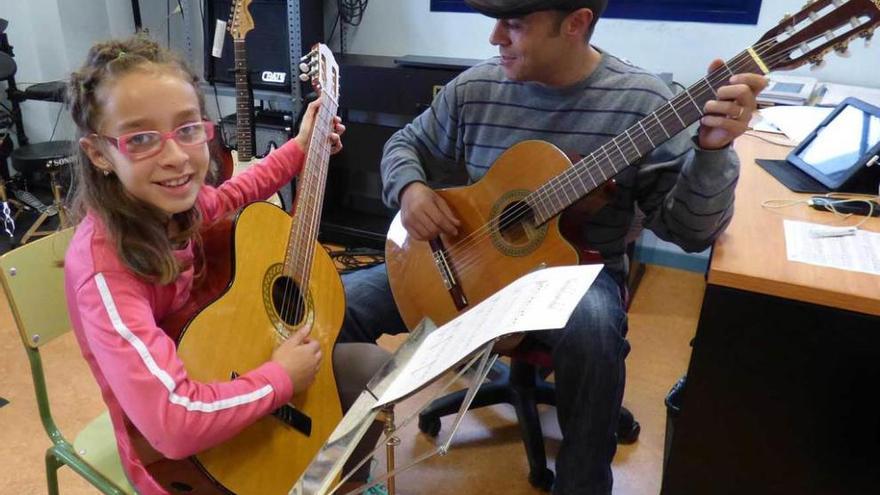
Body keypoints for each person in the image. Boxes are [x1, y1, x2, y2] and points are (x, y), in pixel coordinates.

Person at [339, 1, 768, 493]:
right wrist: (410, 189)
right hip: (466, 259)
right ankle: (343, 473)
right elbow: (404, 145)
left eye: (515, 25)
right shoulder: (478, 87)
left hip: (576, 274)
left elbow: (691, 234)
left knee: (592, 330)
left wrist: (712, 151)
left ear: (576, 23)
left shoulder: (645, 102)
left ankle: (582, 483)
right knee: (338, 305)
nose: (495, 38)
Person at [63, 35, 388, 495]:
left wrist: (299, 148)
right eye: (140, 139)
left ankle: (345, 482)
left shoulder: (177, 209)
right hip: (187, 458)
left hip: (232, 372)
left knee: (373, 369)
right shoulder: (105, 272)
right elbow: (172, 423)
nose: (175, 157)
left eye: (188, 129)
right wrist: (279, 379)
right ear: (99, 153)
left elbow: (236, 192)